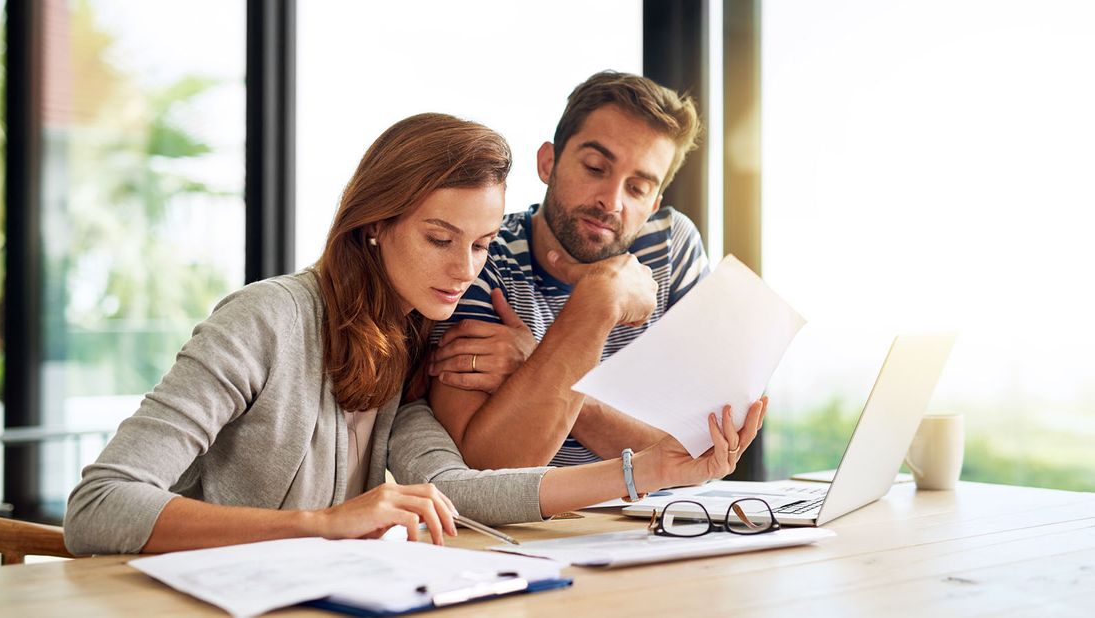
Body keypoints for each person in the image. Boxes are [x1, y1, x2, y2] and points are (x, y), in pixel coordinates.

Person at [64, 112, 763, 556]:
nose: (464, 269)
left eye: (485, 244)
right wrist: (325, 523)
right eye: (439, 238)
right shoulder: (265, 319)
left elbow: (457, 488)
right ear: (376, 222)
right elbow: (99, 507)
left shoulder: (407, 342)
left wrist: (648, 473)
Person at [427, 71, 766, 470]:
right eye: (594, 167)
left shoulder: (670, 246)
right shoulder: (482, 254)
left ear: (654, 203)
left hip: (652, 520)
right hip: (534, 526)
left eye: (637, 188)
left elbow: (702, 451)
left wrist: (534, 366)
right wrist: (601, 299)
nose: (611, 201)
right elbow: (487, 467)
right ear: (548, 163)